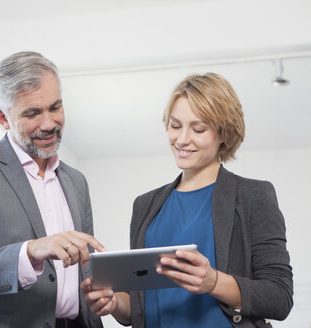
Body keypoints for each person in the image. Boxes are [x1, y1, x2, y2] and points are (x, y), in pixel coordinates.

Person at [81, 73, 293, 327]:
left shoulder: (252, 196)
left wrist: (213, 282)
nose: (182, 139)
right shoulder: (145, 206)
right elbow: (138, 308)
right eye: (175, 125)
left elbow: (279, 297)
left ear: (224, 133)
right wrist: (114, 303)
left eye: (198, 128)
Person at [0, 51, 105, 328]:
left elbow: (83, 271)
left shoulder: (76, 182)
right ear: (2, 117)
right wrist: (29, 251)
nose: (49, 124)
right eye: (32, 113)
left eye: (55, 107)